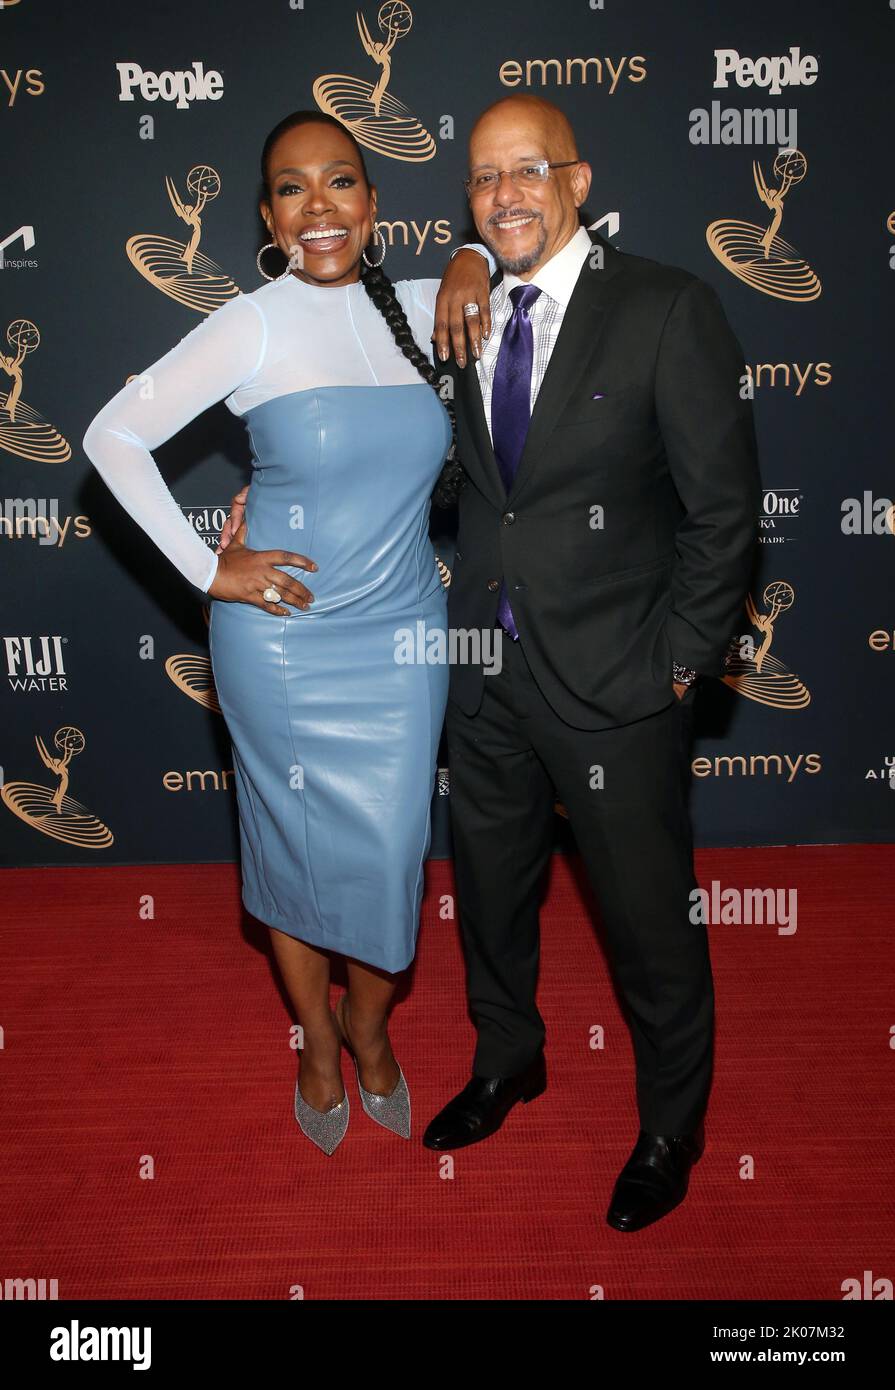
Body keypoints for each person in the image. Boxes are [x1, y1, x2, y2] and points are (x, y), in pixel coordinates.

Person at [82, 110, 492, 1156]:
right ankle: (317, 1040)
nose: (320, 207)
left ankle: (370, 1023)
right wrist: (207, 564)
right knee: (291, 856)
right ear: (267, 216)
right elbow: (111, 436)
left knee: (394, 851)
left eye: (341, 183)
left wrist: (472, 251)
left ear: (371, 201)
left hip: (399, 640)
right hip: (282, 642)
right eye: (293, 189)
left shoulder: (417, 310)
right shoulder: (250, 323)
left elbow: (528, 275)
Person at [421, 94, 762, 1233]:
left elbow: (725, 516)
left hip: (619, 683)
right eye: (481, 180)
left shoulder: (667, 308)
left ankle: (672, 1123)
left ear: (577, 180)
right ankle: (508, 1055)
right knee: (490, 897)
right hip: (483, 674)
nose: (504, 193)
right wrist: (467, 257)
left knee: (648, 924)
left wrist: (678, 664)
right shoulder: (459, 309)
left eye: (527, 171)